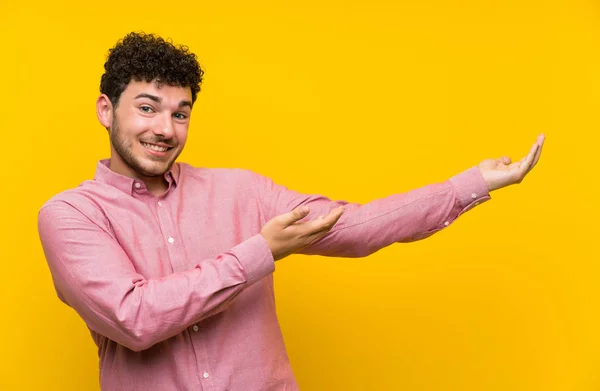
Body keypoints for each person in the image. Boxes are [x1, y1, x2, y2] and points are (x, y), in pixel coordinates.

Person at [37, 32, 545, 391]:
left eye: (181, 113)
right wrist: (261, 252)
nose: (166, 129)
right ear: (107, 109)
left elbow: (356, 226)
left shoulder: (241, 191)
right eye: (147, 107)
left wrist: (472, 184)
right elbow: (135, 318)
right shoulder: (71, 214)